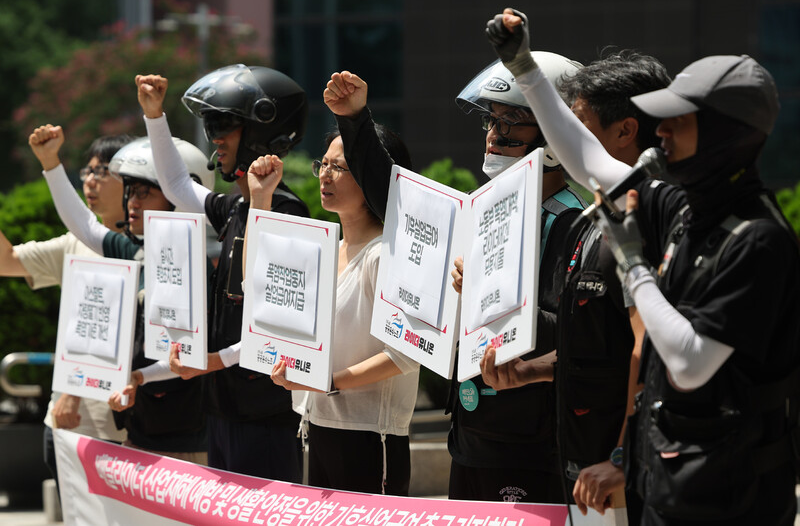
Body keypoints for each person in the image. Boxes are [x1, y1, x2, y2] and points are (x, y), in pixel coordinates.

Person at [487, 7, 800, 525]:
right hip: (671, 481)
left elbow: (690, 361)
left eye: (680, 120)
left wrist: (634, 265)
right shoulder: (683, 206)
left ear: (727, 134)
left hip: (735, 495)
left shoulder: (758, 239)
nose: (664, 132)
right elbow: (588, 159)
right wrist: (524, 70)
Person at [324, 56, 586, 503]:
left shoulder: (572, 224)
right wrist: (354, 120)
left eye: (511, 124)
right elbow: (397, 202)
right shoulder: (481, 208)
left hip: (530, 443)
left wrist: (490, 290)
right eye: (491, 121)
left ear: (555, 135)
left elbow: (581, 333)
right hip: (471, 435)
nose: (493, 135)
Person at [478, 50, 670, 518]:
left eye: (574, 126)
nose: (558, 141)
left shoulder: (648, 220)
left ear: (625, 131)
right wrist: (531, 371)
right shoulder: (599, 218)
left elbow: (647, 352)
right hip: (583, 466)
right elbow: (596, 346)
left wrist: (624, 456)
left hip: (620, 474)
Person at [136, 66, 310, 481]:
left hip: (264, 412)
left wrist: (216, 361)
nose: (214, 135)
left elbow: (281, 324)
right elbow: (177, 185)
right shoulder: (236, 208)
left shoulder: (289, 212)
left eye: (225, 123)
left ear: (262, 133)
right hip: (224, 407)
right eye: (211, 122)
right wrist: (154, 115)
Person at [253, 127, 419, 495]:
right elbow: (258, 287)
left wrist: (328, 381)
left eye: (339, 167)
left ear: (372, 175)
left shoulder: (386, 255)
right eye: (323, 164)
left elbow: (407, 355)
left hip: (371, 437)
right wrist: (259, 200)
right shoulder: (327, 249)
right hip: (319, 428)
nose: (325, 175)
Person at [32, 126, 213, 464]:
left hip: (189, 440)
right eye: (130, 192)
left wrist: (140, 377)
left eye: (145, 192)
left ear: (180, 196)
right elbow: (83, 225)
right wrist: (51, 165)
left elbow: (190, 354)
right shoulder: (134, 250)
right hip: (140, 430)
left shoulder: (196, 265)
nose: (132, 203)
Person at [3, 133, 131, 492]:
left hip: (122, 428)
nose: (90, 180)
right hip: (64, 419)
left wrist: (74, 392)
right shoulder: (76, 241)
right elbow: (7, 261)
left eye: (103, 171)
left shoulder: (149, 246)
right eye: (87, 171)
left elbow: (115, 327)